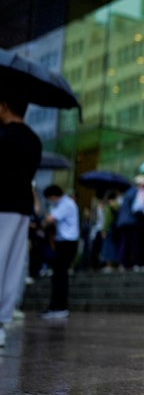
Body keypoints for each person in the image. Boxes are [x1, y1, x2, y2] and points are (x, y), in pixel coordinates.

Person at [0, 95, 41, 346]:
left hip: (2, 203)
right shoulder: (33, 139)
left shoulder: (4, 135)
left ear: (5, 105)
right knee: (12, 265)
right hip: (21, 206)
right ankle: (2, 323)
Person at [41, 185, 80, 319]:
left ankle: (59, 307)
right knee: (58, 276)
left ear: (52, 196)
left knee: (60, 276)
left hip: (67, 243)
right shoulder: (65, 204)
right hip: (64, 243)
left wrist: (46, 217)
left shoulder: (66, 204)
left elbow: (49, 220)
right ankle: (56, 307)